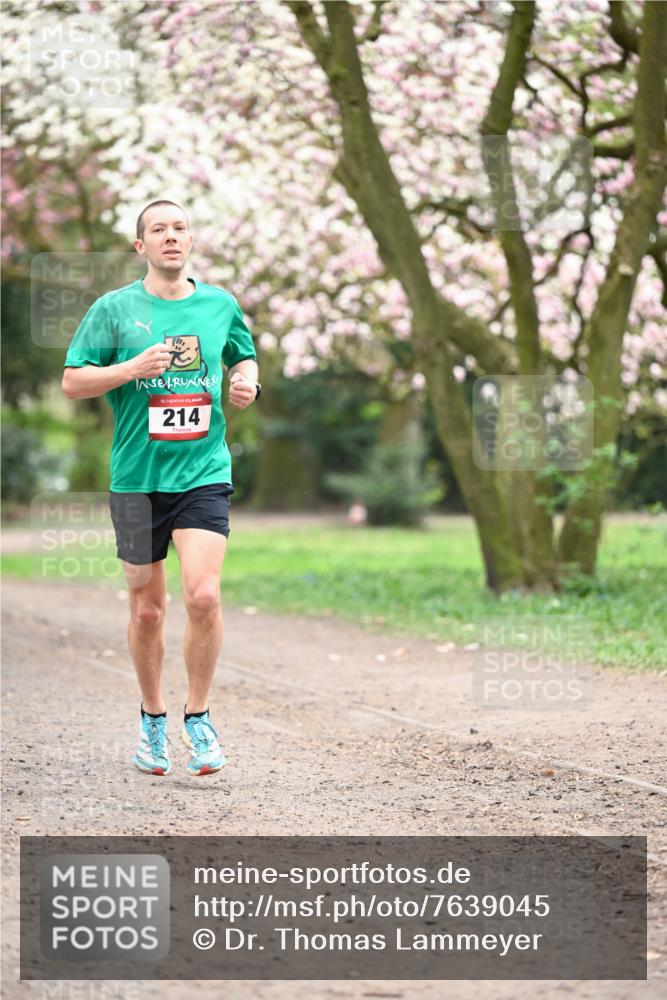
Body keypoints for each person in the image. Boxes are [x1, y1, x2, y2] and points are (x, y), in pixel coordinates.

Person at [62, 199, 260, 777]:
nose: (170, 237)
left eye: (179, 229)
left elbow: (243, 359)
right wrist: (129, 370)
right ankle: (153, 719)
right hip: (134, 480)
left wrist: (246, 384)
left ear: (191, 240)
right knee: (148, 610)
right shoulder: (114, 309)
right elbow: (73, 381)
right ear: (140, 246)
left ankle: (198, 718)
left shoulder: (219, 304)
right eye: (158, 230)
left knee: (203, 596)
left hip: (202, 472)